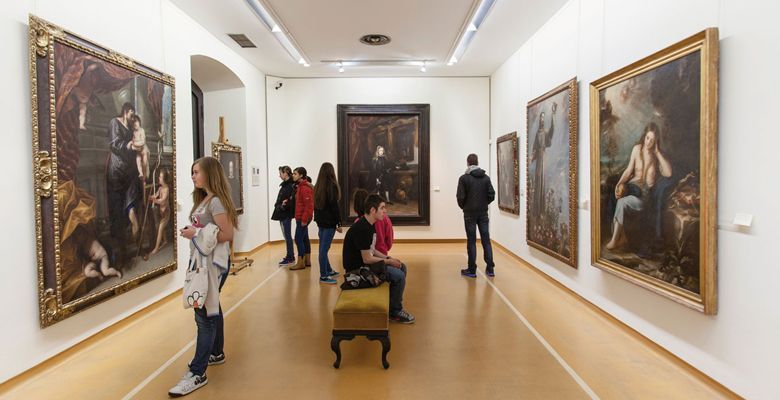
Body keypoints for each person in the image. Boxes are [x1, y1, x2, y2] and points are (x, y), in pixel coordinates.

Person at [168, 157, 238, 397]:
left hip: (214, 265)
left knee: (203, 315)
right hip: (202, 263)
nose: (193, 176)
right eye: (192, 172)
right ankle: (216, 352)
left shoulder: (216, 202)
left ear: (209, 173)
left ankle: (198, 372)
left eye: (196, 172)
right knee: (211, 307)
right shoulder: (205, 199)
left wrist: (195, 232)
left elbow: (227, 233)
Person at [342, 193, 415, 324]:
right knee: (398, 276)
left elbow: (372, 249)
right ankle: (395, 312)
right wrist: (388, 261)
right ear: (372, 210)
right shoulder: (362, 228)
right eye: (382, 208)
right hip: (358, 271)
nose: (385, 211)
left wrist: (387, 257)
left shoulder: (370, 224)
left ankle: (393, 306)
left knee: (402, 266)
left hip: (365, 265)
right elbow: (367, 259)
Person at [606, 122, 673, 251]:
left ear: (656, 142)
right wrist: (619, 183)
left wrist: (658, 152)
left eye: (652, 140)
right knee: (618, 196)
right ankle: (621, 236)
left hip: (643, 197)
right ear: (644, 136)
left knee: (622, 201)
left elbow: (669, 173)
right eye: (648, 138)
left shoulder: (656, 157)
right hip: (631, 188)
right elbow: (628, 170)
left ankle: (615, 240)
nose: (649, 142)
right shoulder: (637, 149)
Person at [106, 102, 142, 269]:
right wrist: (128, 145)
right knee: (117, 214)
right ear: (126, 111)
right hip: (116, 173)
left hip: (128, 173)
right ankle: (120, 254)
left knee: (130, 209)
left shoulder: (129, 127)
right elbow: (114, 143)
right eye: (131, 113)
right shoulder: (115, 122)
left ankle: (127, 249)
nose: (132, 116)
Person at [456, 153, 496, 277]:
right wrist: (484, 204)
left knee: (471, 241)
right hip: (483, 213)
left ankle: (472, 270)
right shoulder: (486, 178)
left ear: (468, 163)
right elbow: (492, 195)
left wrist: (466, 207)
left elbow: (460, 197)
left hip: (469, 214)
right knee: (486, 240)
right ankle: (490, 269)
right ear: (477, 163)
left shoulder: (464, 178)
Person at [314, 162, 342, 284]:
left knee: (323, 247)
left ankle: (328, 270)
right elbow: (334, 207)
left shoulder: (318, 186)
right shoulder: (332, 186)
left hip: (321, 222)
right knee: (324, 249)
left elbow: (316, 207)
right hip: (329, 222)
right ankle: (323, 276)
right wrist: (339, 223)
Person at [530, 105, 556, 219]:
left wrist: (553, 115)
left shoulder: (545, 132)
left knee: (542, 182)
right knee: (538, 181)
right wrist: (531, 158)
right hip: (539, 160)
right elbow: (534, 149)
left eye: (543, 118)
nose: (541, 119)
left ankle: (541, 211)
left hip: (543, 158)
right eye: (540, 117)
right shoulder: (537, 133)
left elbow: (551, 131)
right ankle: (536, 211)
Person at [353, 189, 394, 257]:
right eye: (382, 208)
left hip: (370, 256)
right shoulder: (384, 218)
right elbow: (389, 238)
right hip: (374, 256)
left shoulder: (357, 222)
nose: (385, 210)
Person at [144, 168, 171, 261]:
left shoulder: (166, 189)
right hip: (161, 212)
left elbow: (162, 200)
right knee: (162, 228)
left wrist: (155, 200)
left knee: (160, 229)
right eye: (159, 177)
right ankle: (165, 240)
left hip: (166, 212)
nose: (158, 178)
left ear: (164, 179)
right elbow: (155, 195)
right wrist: (151, 197)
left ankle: (156, 248)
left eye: (160, 177)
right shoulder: (160, 188)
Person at [271, 166, 295, 266]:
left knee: (287, 236)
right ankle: (290, 256)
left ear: (286, 173)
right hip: (282, 214)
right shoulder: (286, 185)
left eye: (281, 173)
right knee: (287, 236)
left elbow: (289, 201)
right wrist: (279, 205)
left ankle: (290, 257)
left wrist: (282, 206)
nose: (279, 175)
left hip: (285, 215)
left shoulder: (290, 186)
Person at [290, 167, 313, 270]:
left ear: (301, 175)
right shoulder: (300, 186)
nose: (293, 175)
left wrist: (304, 219)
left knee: (298, 238)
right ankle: (307, 260)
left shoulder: (304, 188)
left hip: (303, 218)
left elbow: (308, 206)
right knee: (304, 238)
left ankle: (301, 262)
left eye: (295, 174)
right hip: (301, 217)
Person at [129, 115, 150, 181]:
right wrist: (133, 143)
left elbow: (143, 142)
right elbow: (132, 140)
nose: (135, 124)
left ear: (139, 122)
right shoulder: (134, 133)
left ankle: (144, 174)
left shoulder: (142, 130)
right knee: (137, 160)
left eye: (136, 122)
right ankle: (140, 173)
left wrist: (134, 144)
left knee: (144, 162)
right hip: (138, 151)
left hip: (143, 150)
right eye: (133, 124)